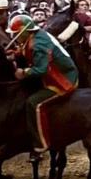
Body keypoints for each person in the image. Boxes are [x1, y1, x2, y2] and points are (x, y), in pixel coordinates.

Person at [8, 13, 78, 154]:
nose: (13, 37)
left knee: (33, 103)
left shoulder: (39, 43)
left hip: (63, 80)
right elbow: (26, 50)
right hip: (54, 74)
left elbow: (41, 69)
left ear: (25, 31)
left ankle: (41, 143)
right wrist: (16, 54)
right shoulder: (35, 35)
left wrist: (24, 72)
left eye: (16, 34)